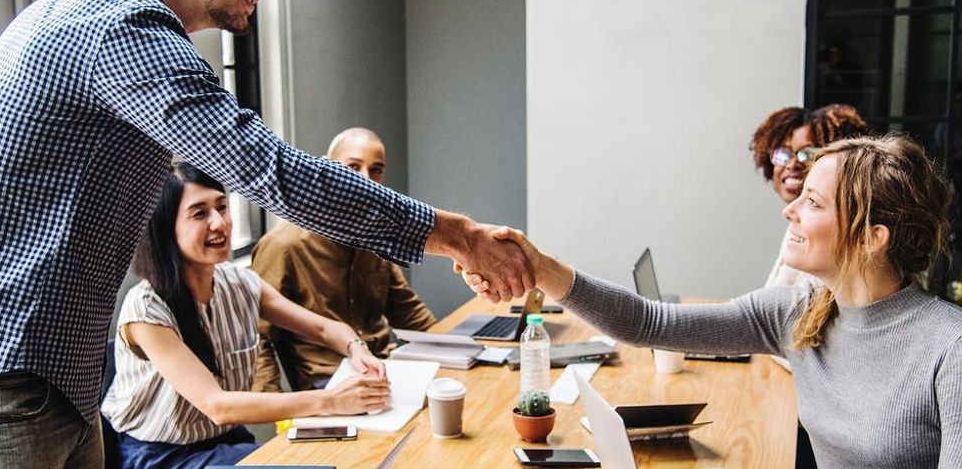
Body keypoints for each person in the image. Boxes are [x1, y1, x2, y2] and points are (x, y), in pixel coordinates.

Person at [0, 0, 531, 467]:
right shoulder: (120, 25)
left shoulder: (102, 19)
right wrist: (459, 236)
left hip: (49, 380)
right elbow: (270, 169)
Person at [466, 136, 962, 468]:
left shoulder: (949, 348)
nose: (789, 209)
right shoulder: (797, 310)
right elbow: (645, 322)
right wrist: (540, 267)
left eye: (812, 202)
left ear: (873, 237)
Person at [101, 163, 388, 467]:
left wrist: (357, 349)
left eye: (222, 207)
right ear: (165, 229)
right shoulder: (146, 308)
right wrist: (331, 402)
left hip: (225, 441)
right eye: (200, 214)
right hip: (160, 456)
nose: (219, 223)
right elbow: (218, 405)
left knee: (341, 457)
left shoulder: (239, 282)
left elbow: (323, 330)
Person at [252, 128, 436, 391]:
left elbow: (409, 313)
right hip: (326, 385)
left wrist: (454, 354)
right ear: (327, 170)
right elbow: (257, 335)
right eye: (352, 166)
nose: (366, 180)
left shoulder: (374, 236)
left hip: (385, 369)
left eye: (376, 170)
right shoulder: (285, 245)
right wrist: (276, 408)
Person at [750, 104, 867, 288]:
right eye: (783, 153)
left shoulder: (828, 238)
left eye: (809, 153)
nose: (792, 164)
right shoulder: (795, 223)